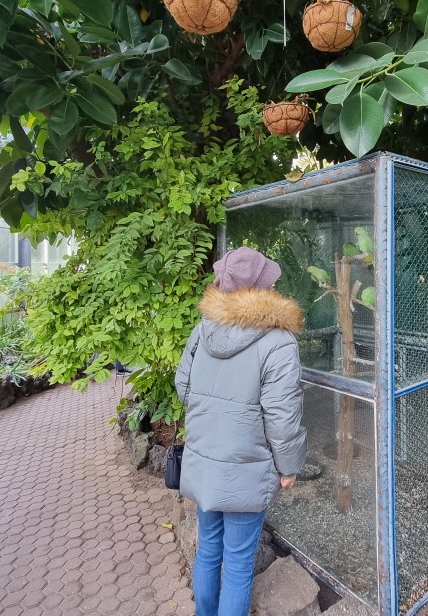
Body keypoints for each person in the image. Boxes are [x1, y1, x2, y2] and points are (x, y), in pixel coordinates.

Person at [175, 246, 307, 616]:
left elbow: (183, 387)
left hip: (205, 460)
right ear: (260, 288)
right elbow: (282, 415)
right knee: (236, 564)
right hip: (247, 468)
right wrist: (289, 466)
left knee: (208, 549)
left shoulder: (203, 331)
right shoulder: (279, 342)